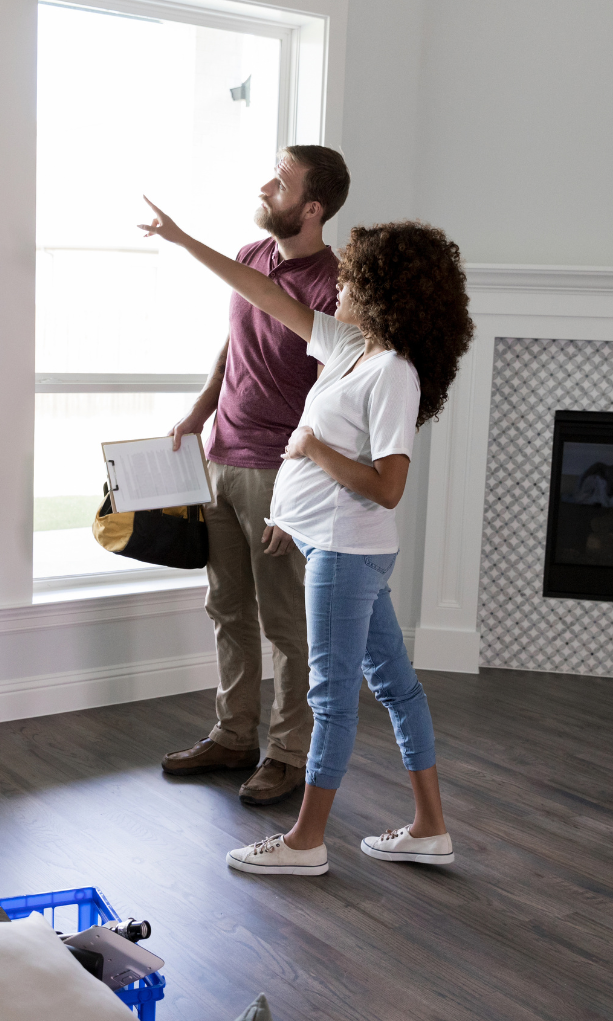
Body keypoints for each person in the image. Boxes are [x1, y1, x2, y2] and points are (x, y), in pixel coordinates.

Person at [140, 200, 474, 874]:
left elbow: (386, 485)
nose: (339, 288)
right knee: (397, 686)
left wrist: (314, 451)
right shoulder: (349, 348)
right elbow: (260, 291)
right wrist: (182, 241)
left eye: (352, 280)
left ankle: (305, 842)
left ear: (381, 294)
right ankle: (430, 828)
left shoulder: (394, 374)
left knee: (331, 694)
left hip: (349, 550)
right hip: (333, 542)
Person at [160, 146, 351, 808]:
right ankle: (233, 734)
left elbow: (329, 398)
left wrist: (297, 489)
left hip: (281, 475)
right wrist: (198, 410)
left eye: (281, 179)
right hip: (222, 457)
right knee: (227, 610)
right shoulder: (249, 257)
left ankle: (288, 753)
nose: (266, 186)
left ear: (313, 207)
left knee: (284, 624)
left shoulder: (335, 285)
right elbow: (232, 344)